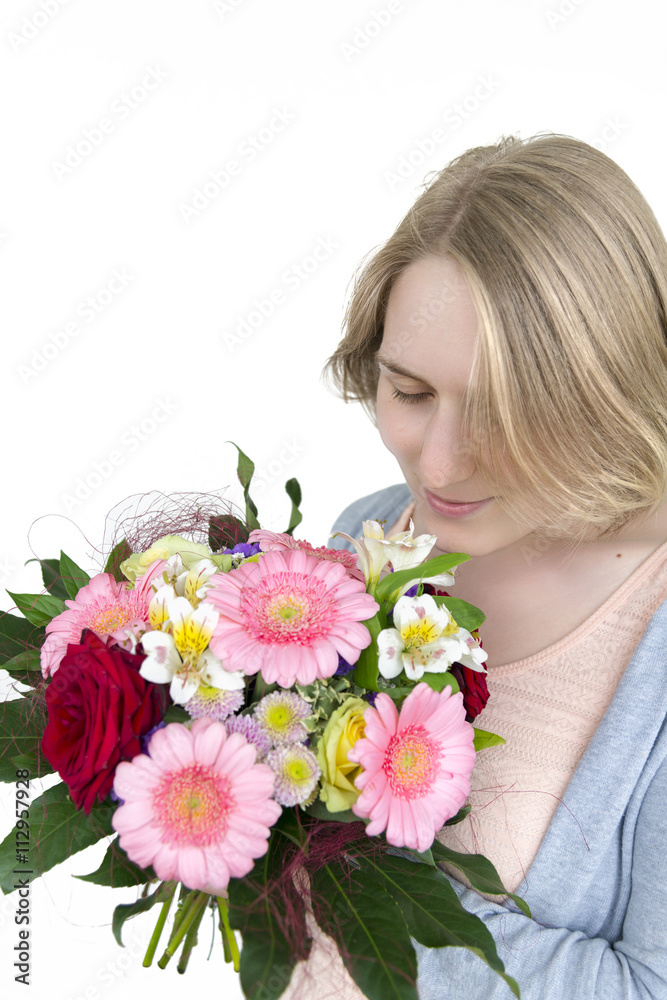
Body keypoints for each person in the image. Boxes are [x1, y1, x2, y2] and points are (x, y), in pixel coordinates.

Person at [316, 133, 667, 999]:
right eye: (408, 392)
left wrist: (319, 864)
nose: (436, 468)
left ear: (608, 392)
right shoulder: (367, 535)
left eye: (503, 413)